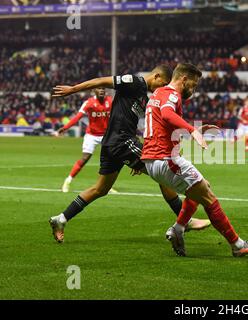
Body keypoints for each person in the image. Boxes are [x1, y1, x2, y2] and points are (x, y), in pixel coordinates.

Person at [49, 65, 211, 243]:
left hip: (115, 144)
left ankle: (60, 219)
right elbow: (101, 81)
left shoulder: (145, 96)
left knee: (100, 189)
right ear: (156, 76)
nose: (163, 89)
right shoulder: (134, 82)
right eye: (163, 84)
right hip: (120, 142)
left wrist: (138, 155)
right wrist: (73, 89)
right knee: (162, 172)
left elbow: (128, 120)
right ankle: (185, 221)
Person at [141, 63, 248, 257]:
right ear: (183, 79)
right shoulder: (172, 95)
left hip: (153, 160)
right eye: (193, 83)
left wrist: (193, 130)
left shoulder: (158, 94)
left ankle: (178, 228)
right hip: (165, 158)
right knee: (207, 196)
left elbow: (163, 124)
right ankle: (237, 245)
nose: (194, 88)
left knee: (201, 188)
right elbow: (167, 115)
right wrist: (192, 130)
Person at [56, 88, 115, 193]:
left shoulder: (110, 101)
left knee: (110, 160)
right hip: (91, 135)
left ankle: (105, 185)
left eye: (103, 89)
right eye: (99, 89)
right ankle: (68, 181)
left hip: (106, 135)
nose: (102, 90)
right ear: (94, 91)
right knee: (85, 159)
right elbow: (77, 117)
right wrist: (65, 128)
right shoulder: (89, 103)